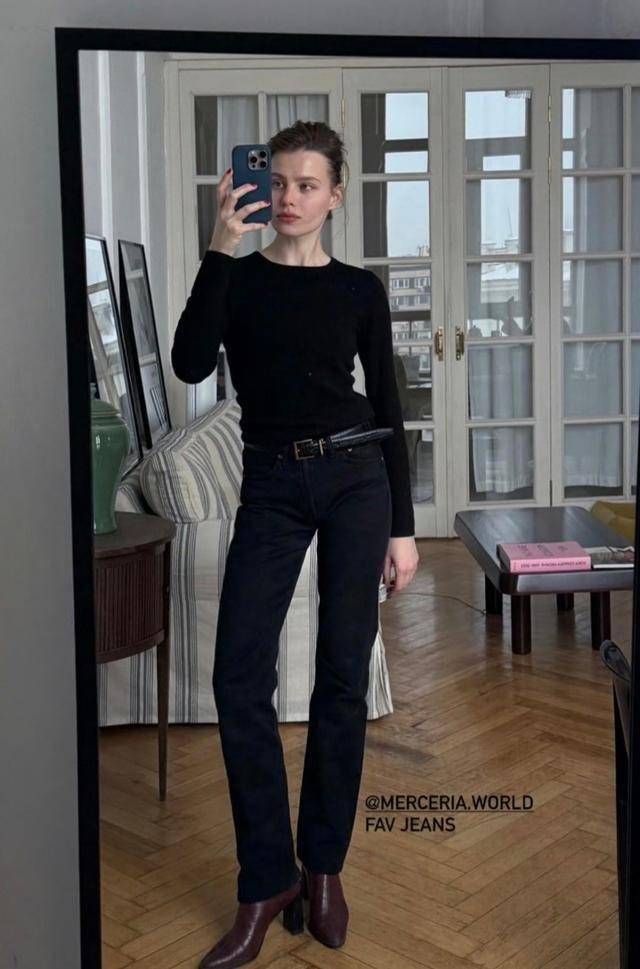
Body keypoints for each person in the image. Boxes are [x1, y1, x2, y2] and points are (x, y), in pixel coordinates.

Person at [171, 121, 419, 969]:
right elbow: (190, 362)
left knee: (343, 676)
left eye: (306, 184)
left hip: (356, 480)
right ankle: (267, 879)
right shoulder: (238, 278)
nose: (287, 198)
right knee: (238, 675)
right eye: (276, 182)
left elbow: (388, 403)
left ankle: (323, 867)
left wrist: (403, 527)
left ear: (335, 195)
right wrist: (218, 246)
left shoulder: (360, 290)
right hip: (272, 485)